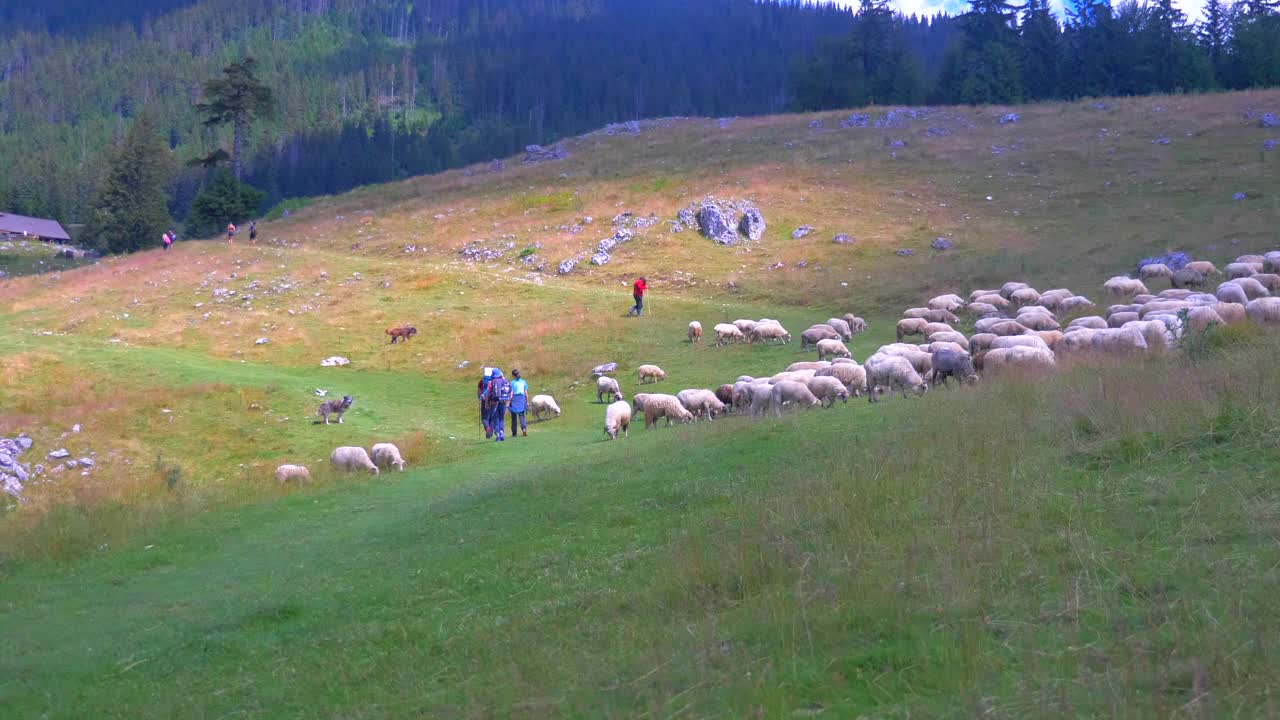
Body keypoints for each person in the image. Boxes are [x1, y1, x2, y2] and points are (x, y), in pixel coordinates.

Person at [485, 368, 511, 442]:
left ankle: (498, 435)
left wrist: (486, 403)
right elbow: (509, 391)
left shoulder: (491, 382)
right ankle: (502, 433)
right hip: (503, 402)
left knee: (496, 419)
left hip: (494, 403)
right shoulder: (504, 381)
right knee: (501, 418)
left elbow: (488, 394)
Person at [509, 369, 529, 437]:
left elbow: (511, 393)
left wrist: (509, 401)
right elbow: (526, 393)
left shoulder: (512, 383)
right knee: (522, 415)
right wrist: (527, 401)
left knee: (514, 417)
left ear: (513, 375)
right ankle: (524, 429)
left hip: (515, 399)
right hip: (522, 399)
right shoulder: (524, 382)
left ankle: (514, 433)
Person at [478, 367, 494, 438]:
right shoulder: (494, 381)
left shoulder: (482, 382)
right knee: (491, 417)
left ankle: (487, 428)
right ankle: (490, 434)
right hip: (493, 400)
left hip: (484, 399)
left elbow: (479, 391)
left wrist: (479, 398)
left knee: (484, 417)